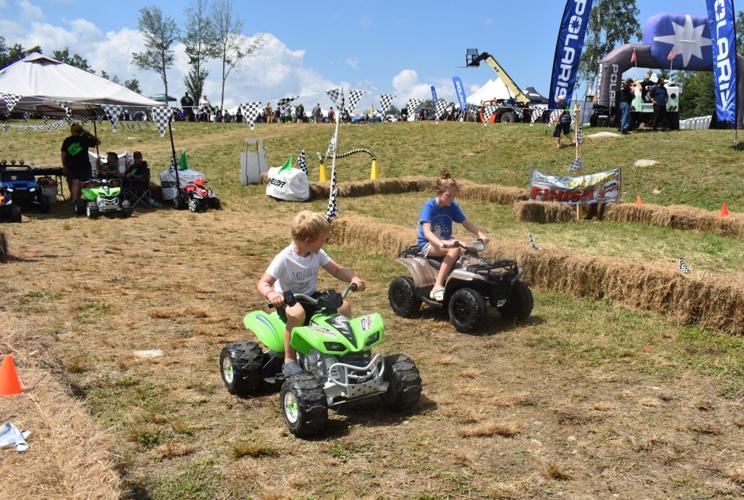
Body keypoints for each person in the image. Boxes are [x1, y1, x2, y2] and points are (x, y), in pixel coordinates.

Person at [257, 210, 366, 377]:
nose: (325, 242)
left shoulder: (316, 253)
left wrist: (353, 278)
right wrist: (272, 295)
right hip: (289, 300)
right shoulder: (284, 258)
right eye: (323, 239)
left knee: (343, 306)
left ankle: (344, 350)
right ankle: (289, 360)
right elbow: (263, 283)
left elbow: (336, 270)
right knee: (297, 313)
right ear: (308, 241)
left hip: (311, 297)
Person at [418, 169, 488, 301]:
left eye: (454, 196)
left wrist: (481, 234)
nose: (451, 199)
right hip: (429, 244)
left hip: (446, 241)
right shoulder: (430, 206)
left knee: (468, 247)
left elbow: (465, 222)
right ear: (438, 193)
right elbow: (426, 232)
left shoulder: (452, 206)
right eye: (448, 195)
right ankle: (437, 285)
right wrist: (440, 243)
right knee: (455, 249)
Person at [61, 123, 100, 208]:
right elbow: (98, 142)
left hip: (72, 165)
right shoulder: (84, 139)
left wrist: (64, 165)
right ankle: (90, 202)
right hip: (84, 165)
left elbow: (63, 155)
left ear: (72, 131)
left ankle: (74, 203)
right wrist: (88, 134)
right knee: (84, 183)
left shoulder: (67, 140)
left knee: (75, 183)